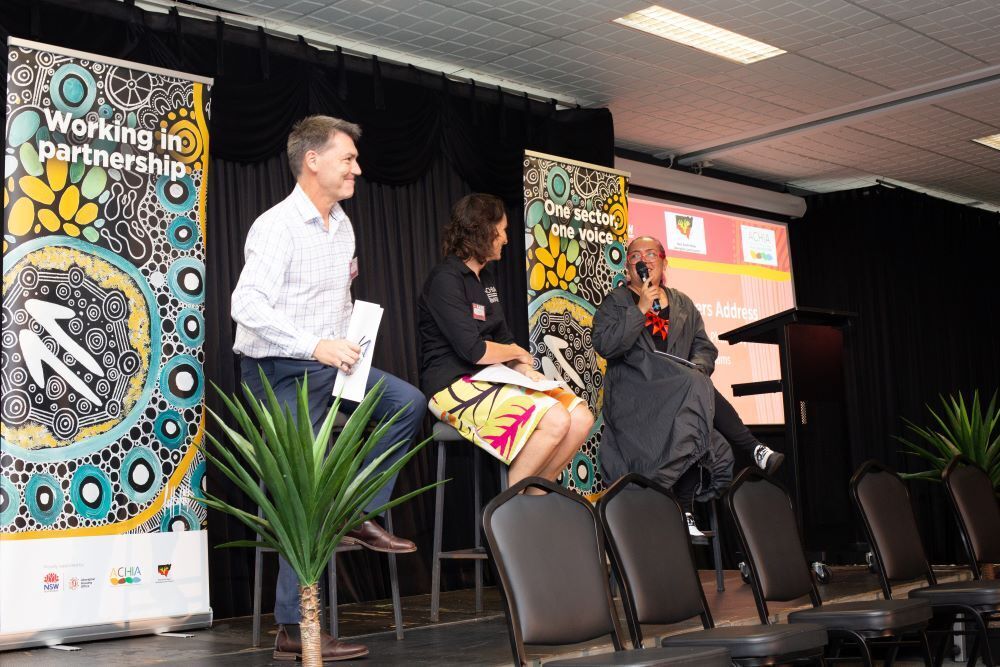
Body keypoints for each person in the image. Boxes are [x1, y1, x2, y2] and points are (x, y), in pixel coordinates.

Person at [231, 115, 425, 662]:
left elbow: (339, 300)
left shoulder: (343, 226)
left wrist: (348, 342)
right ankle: (294, 629)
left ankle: (355, 514)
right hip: (277, 370)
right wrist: (314, 344)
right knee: (304, 486)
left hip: (329, 365)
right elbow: (245, 305)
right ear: (312, 161)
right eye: (348, 158)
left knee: (407, 404)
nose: (357, 168)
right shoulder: (276, 226)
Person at [593, 235, 783, 535]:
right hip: (638, 400)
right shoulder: (615, 303)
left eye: (651, 254)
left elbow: (704, 348)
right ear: (628, 267)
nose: (643, 260)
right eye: (635, 256)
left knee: (701, 430)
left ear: (663, 261)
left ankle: (684, 510)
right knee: (693, 389)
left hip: (679, 397)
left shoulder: (682, 303)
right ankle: (752, 448)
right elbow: (606, 345)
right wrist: (640, 309)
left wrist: (697, 369)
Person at [418, 193, 593, 490]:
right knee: (556, 420)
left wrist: (525, 370)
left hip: (492, 377)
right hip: (451, 385)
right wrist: (516, 353)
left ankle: (533, 499)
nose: (506, 239)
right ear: (484, 230)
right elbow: (475, 350)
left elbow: (503, 338)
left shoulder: (485, 280)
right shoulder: (445, 279)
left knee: (580, 418)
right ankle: (504, 509)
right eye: (502, 230)